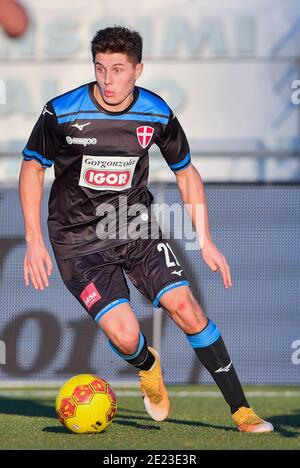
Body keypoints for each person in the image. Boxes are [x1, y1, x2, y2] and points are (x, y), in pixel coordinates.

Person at [19, 26, 273, 433]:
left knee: (186, 308)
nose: (108, 80)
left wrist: (205, 239)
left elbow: (186, 173)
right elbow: (32, 168)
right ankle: (148, 365)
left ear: (138, 69)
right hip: (77, 241)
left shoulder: (155, 112)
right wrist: (34, 239)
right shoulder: (62, 111)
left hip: (133, 226)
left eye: (118, 69)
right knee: (124, 336)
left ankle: (242, 410)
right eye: (100, 69)